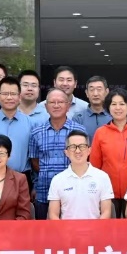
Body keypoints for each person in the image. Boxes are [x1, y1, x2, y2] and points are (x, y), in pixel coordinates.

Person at [90, 89, 127, 219]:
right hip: (107, 192)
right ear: (108, 107)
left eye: (122, 104)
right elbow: (95, 165)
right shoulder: (101, 132)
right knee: (110, 227)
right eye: (113, 104)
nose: (118, 108)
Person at [29, 89, 86, 220]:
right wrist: (36, 185)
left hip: (73, 193)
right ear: (45, 106)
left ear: (68, 106)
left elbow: (83, 160)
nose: (56, 105)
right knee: (44, 230)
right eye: (52, 102)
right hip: (44, 191)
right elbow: (34, 161)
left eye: (60, 102)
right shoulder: (36, 132)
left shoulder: (79, 131)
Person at [48, 131, 113, 221]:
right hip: (66, 229)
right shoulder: (57, 180)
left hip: (95, 229)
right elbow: (53, 214)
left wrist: (96, 229)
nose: (77, 151)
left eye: (82, 146)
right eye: (73, 147)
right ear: (66, 152)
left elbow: (106, 212)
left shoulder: (102, 177)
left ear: (89, 150)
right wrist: (64, 229)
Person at [0, 77, 35, 174]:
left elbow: (34, 156)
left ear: (19, 97)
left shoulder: (31, 123)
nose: (9, 97)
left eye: (13, 94)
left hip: (22, 177)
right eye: (5, 94)